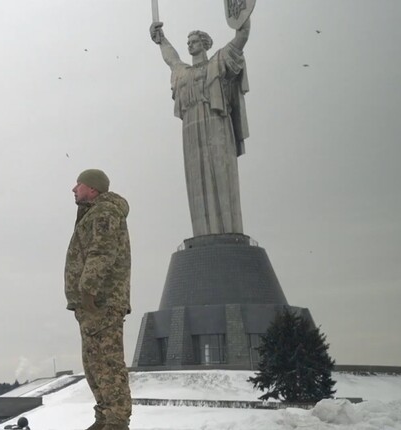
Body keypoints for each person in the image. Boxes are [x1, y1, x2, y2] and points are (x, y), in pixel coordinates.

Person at [149, 18, 251, 236]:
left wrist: (242, 15)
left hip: (216, 122)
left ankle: (228, 231)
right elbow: (171, 58)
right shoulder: (183, 72)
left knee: (221, 173)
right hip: (191, 129)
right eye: (188, 42)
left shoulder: (217, 62)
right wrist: (161, 39)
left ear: (205, 44)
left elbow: (241, 38)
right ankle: (203, 233)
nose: (190, 44)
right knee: (197, 180)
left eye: (194, 41)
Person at [65, 169, 132, 430]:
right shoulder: (93, 213)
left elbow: (102, 250)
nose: (74, 189)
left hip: (101, 301)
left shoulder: (105, 213)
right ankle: (104, 416)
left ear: (92, 189)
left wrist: (89, 290)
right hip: (90, 304)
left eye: (78, 184)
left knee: (108, 362)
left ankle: (116, 421)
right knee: (94, 364)